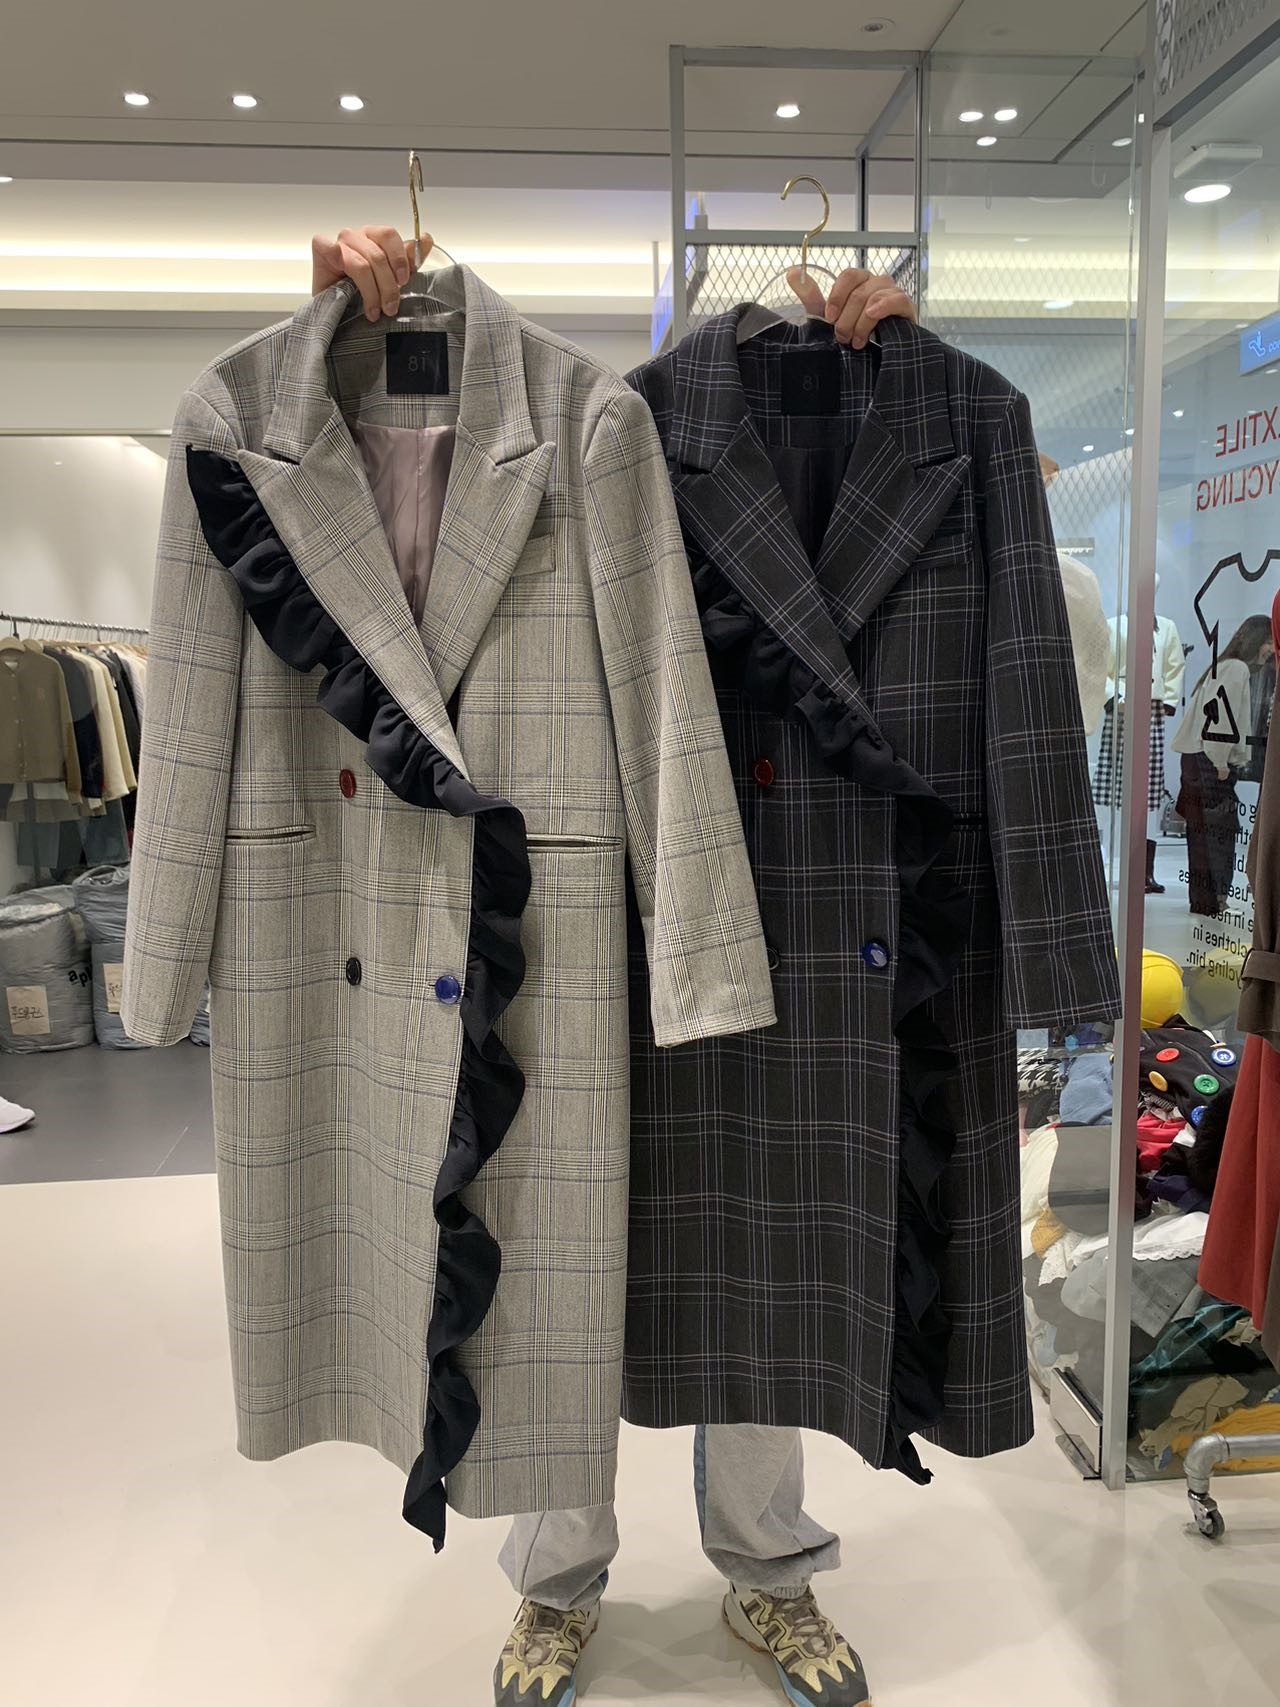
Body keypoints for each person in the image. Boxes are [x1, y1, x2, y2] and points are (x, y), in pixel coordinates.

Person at [305, 227, 912, 1707]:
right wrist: (333, 350)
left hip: (750, 884)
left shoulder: (778, 434)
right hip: (568, 900)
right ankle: (556, 1583)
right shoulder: (589, 425)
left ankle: (770, 1567)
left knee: (750, 1253)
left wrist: (886, 383)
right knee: (548, 1256)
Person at [1172, 614, 1276, 918]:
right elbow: (1219, 720)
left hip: (1197, 756)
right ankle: (1214, 899)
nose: (1272, 649)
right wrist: (1220, 761)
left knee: (1203, 833)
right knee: (1218, 833)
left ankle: (1205, 900)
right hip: (1209, 759)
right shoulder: (1236, 669)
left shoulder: (1226, 666)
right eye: (1269, 642)